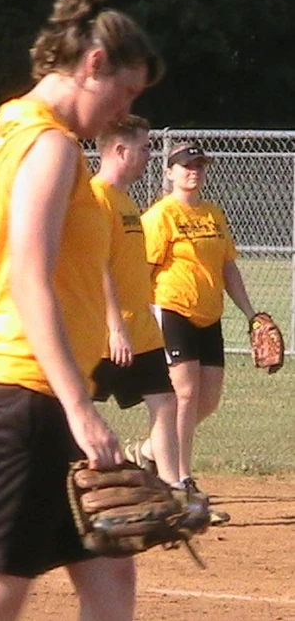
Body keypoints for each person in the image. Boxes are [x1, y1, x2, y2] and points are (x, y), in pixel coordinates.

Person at [0, 0, 164, 621]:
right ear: (93, 64)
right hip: (21, 395)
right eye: (125, 92)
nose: (122, 113)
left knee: (109, 566)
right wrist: (82, 412)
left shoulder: (2, 135)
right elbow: (26, 277)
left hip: (13, 388)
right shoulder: (49, 146)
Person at [140, 143, 258, 524]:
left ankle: (149, 451)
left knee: (207, 400)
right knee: (184, 395)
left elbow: (228, 268)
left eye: (199, 166)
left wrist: (250, 312)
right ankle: (183, 481)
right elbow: (142, 269)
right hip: (172, 309)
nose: (194, 171)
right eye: (186, 165)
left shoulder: (213, 214)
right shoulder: (160, 216)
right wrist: (139, 317)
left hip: (210, 314)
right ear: (170, 172)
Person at [90, 116, 182, 493]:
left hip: (141, 328)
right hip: (104, 331)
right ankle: (67, 482)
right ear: (120, 150)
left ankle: (173, 485)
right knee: (75, 405)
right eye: (144, 148)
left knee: (166, 401)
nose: (149, 156)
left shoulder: (125, 200)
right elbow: (98, 268)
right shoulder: (96, 198)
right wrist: (115, 328)